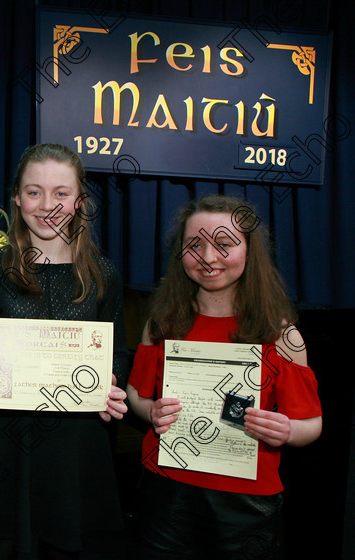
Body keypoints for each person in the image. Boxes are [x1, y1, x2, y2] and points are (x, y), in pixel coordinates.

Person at [0, 143, 129, 560]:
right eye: (34, 192)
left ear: (80, 201)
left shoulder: (102, 273)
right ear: (16, 197)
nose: (47, 205)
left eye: (61, 193)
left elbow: (119, 350)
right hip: (2, 439)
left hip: (74, 444)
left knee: (65, 549)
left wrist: (113, 381)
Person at [126, 195, 322, 559]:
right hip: (166, 494)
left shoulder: (281, 335)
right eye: (194, 245)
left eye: (224, 244)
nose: (208, 257)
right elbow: (136, 394)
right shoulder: (161, 325)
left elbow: (311, 423)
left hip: (246, 504)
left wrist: (288, 431)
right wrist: (149, 411)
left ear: (250, 252)